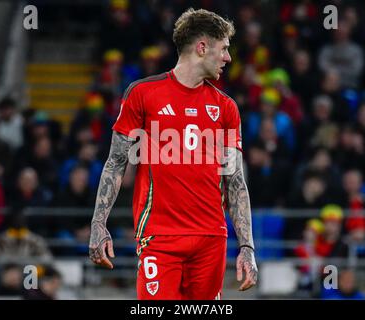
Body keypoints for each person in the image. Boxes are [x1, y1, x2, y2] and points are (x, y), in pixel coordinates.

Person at [89, 8, 258, 300]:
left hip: (210, 239)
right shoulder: (142, 93)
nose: (228, 58)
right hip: (160, 237)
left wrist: (247, 247)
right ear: (202, 47)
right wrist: (98, 223)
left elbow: (235, 181)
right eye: (224, 49)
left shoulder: (227, 108)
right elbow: (115, 163)